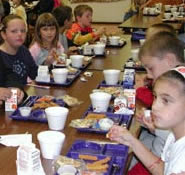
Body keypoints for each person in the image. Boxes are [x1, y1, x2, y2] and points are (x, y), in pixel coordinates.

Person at [108, 65, 185, 175]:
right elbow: (165, 170)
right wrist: (132, 142)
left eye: (166, 101)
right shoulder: (175, 135)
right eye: (155, 96)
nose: (155, 106)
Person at [130, 32, 185, 172]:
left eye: (151, 68)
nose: (148, 74)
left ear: (169, 60)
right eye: (156, 97)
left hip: (157, 153)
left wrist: (154, 126)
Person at [0, 14, 38, 103]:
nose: (20, 34)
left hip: (15, 101)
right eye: (14, 31)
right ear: (3, 35)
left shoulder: (23, 50)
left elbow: (12, 77)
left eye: (23, 31)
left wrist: (16, 88)